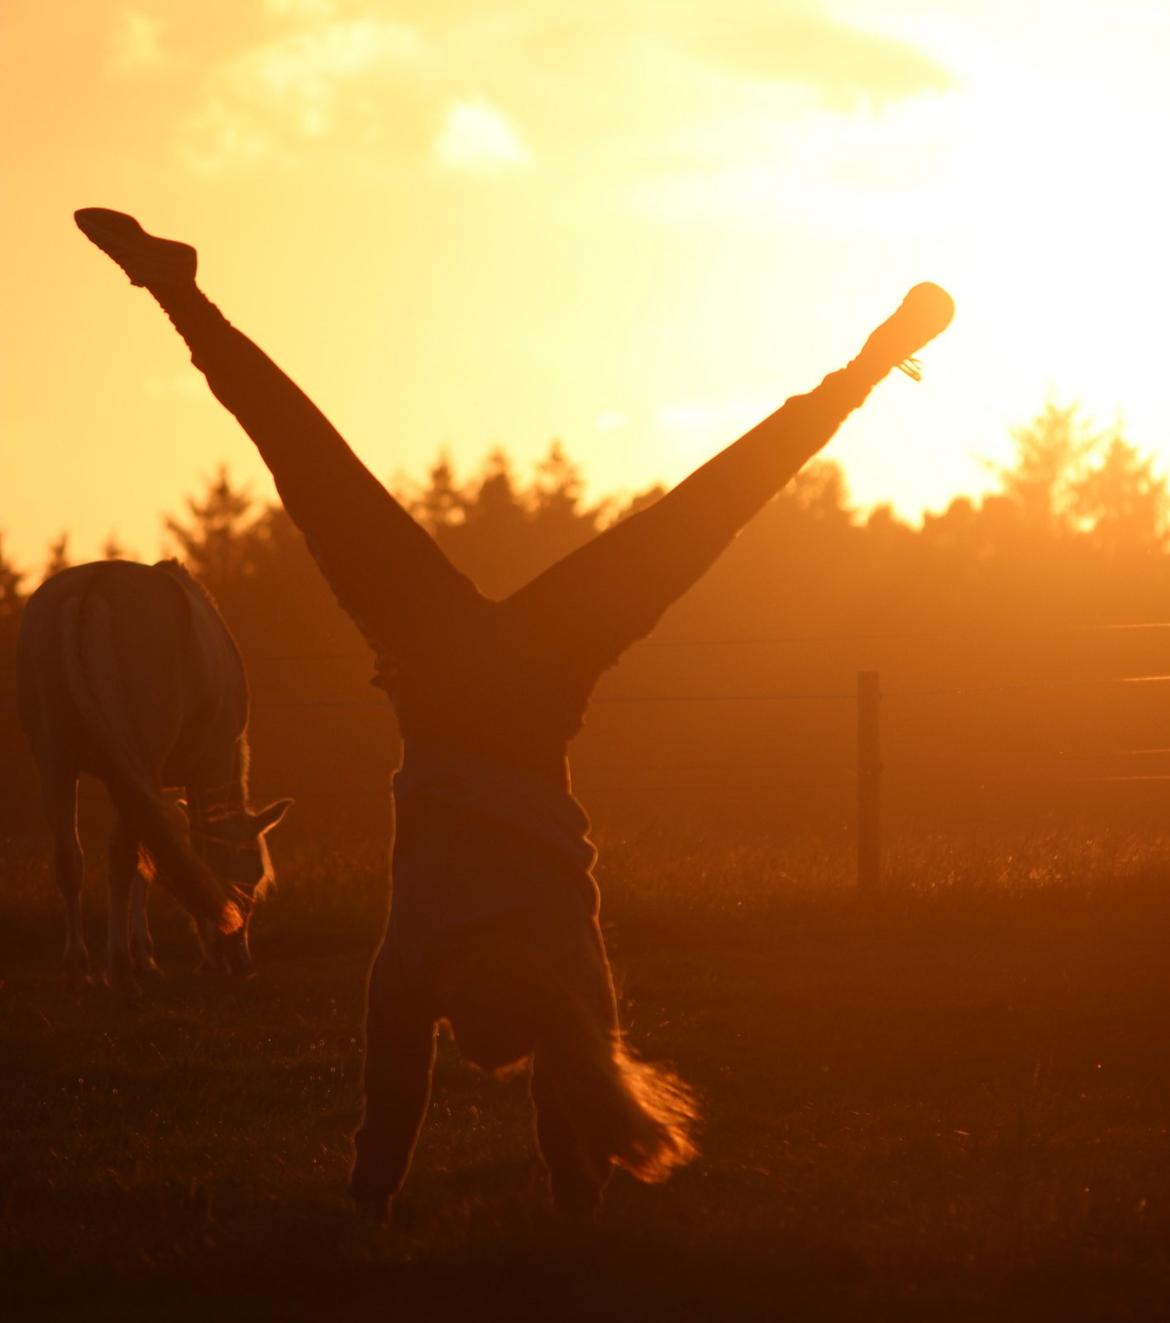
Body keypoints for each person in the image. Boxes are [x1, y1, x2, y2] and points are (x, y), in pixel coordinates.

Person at [74, 207, 954, 1218]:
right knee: (308, 462)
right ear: (461, 1015)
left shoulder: (563, 971)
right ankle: (178, 292)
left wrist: (572, 1197)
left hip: (541, 676)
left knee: (710, 509)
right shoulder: (416, 964)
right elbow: (392, 1103)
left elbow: (571, 1087)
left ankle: (874, 360)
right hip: (442, 670)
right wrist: (371, 1204)